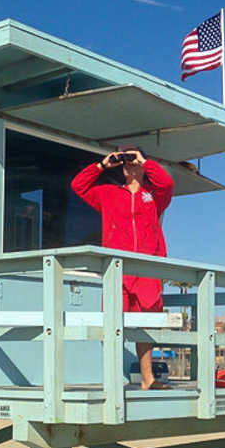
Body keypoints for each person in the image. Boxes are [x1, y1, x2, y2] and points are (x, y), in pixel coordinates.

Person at [71, 145, 174, 389]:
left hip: (148, 270)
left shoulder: (154, 196)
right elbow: (79, 185)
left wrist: (145, 161)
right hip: (117, 272)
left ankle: (148, 378)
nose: (128, 163)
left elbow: (167, 184)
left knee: (147, 325)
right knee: (113, 324)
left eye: (131, 159)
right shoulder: (108, 193)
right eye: (124, 160)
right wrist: (102, 165)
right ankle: (113, 378)